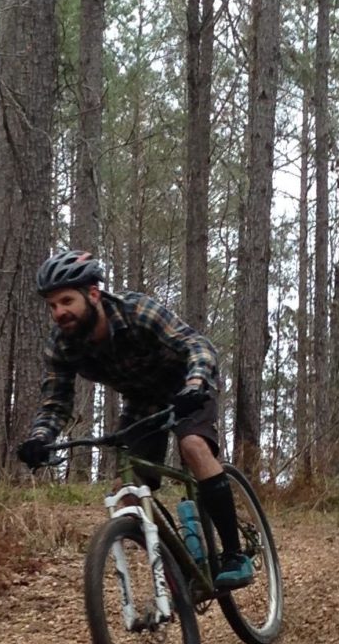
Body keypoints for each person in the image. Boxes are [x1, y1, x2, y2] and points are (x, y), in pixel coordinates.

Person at [14, 250, 254, 590]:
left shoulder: (135, 311)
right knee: (125, 493)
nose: (59, 312)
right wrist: (40, 438)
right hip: (143, 402)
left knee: (193, 445)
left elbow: (195, 344)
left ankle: (234, 554)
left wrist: (197, 382)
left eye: (66, 301)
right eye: (52, 306)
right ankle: (182, 565)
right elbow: (56, 400)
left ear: (93, 294)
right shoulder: (62, 345)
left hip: (186, 384)